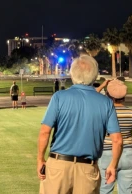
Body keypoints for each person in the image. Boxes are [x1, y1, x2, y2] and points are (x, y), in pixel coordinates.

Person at [38, 55, 122, 194]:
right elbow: (117, 140)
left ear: (72, 74)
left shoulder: (59, 97)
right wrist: (113, 165)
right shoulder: (106, 103)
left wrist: (40, 159)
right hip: (87, 169)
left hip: (58, 166)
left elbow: (44, 132)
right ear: (94, 75)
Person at [96, 79, 132, 194]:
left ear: (108, 95)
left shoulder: (104, 113)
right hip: (128, 155)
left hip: (107, 154)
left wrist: (103, 85)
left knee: (104, 191)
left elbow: (91, 97)